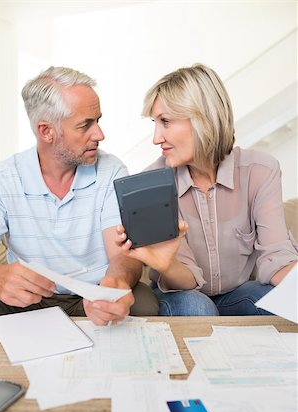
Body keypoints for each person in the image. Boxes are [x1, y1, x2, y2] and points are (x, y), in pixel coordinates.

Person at [116, 63, 298, 316]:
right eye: (155, 123)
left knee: (277, 301)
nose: (156, 138)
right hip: (181, 295)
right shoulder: (152, 183)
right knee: (197, 307)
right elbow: (187, 281)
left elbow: (276, 257)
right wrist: (167, 265)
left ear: (203, 119)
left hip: (238, 293)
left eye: (166, 122)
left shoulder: (260, 170)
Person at [0, 66, 158, 324]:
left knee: (144, 304)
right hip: (26, 300)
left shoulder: (111, 170)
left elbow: (121, 255)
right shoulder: (5, 178)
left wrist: (115, 282)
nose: (99, 134)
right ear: (46, 131)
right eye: (85, 125)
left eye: (98, 120)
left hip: (92, 298)